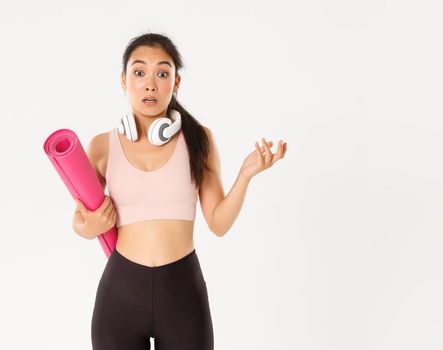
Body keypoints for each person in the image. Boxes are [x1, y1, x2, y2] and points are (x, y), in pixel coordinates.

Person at [70, 32, 288, 349]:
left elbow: (218, 223)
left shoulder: (199, 139)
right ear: (123, 80)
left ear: (176, 83)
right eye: (139, 72)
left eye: (162, 73)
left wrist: (246, 175)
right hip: (119, 296)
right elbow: (78, 218)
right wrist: (87, 226)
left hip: (183, 294)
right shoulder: (103, 146)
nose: (150, 84)